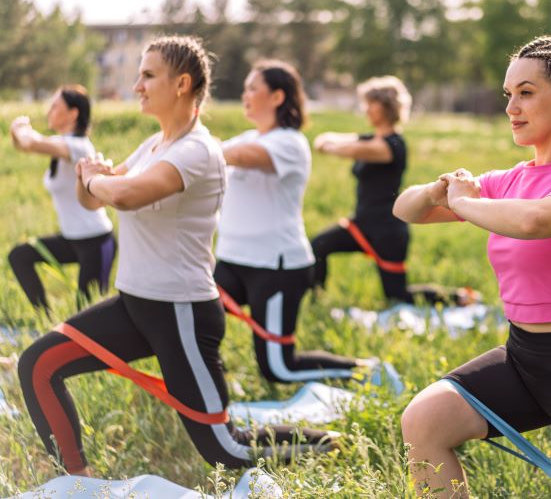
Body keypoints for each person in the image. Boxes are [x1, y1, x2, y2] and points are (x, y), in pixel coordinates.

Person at [17, 36, 336, 476]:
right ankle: (77, 481)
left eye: (148, 75)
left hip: (180, 313)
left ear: (182, 83)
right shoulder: (154, 145)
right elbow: (95, 201)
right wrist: (88, 178)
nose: (137, 86)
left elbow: (124, 196)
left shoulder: (197, 150)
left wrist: (95, 181)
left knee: (227, 452)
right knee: (39, 365)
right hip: (134, 303)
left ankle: (330, 446)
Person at [395, 35, 551, 498]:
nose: (512, 107)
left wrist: (465, 203)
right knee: (423, 421)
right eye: (509, 95)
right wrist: (436, 191)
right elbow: (405, 210)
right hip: (523, 359)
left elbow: (533, 220)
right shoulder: (510, 178)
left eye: (526, 93)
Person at [214, 59, 369, 383]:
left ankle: (366, 371)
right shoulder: (246, 136)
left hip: (276, 269)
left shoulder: (289, 142)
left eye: (253, 88)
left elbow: (244, 157)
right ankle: (210, 392)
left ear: (277, 97)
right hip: (230, 261)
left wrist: (198, 150)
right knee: (194, 320)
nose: (245, 94)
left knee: (278, 368)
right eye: (244, 88)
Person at [312, 77, 477, 307]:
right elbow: (327, 139)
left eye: (372, 103)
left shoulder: (392, 145)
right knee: (319, 245)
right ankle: (315, 301)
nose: (366, 108)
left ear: (387, 106)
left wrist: (330, 145)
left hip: (388, 230)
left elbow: (342, 146)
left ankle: (459, 297)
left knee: (398, 295)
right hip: (361, 224)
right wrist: (327, 142)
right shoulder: (371, 139)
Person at [8, 86, 115, 312]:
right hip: (71, 239)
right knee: (19, 256)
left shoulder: (78, 146)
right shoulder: (62, 142)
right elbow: (24, 146)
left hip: (95, 241)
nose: (49, 110)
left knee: (86, 314)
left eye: (55, 106)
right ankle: (46, 319)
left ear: (73, 113)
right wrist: (15, 132)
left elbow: (31, 143)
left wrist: (22, 128)